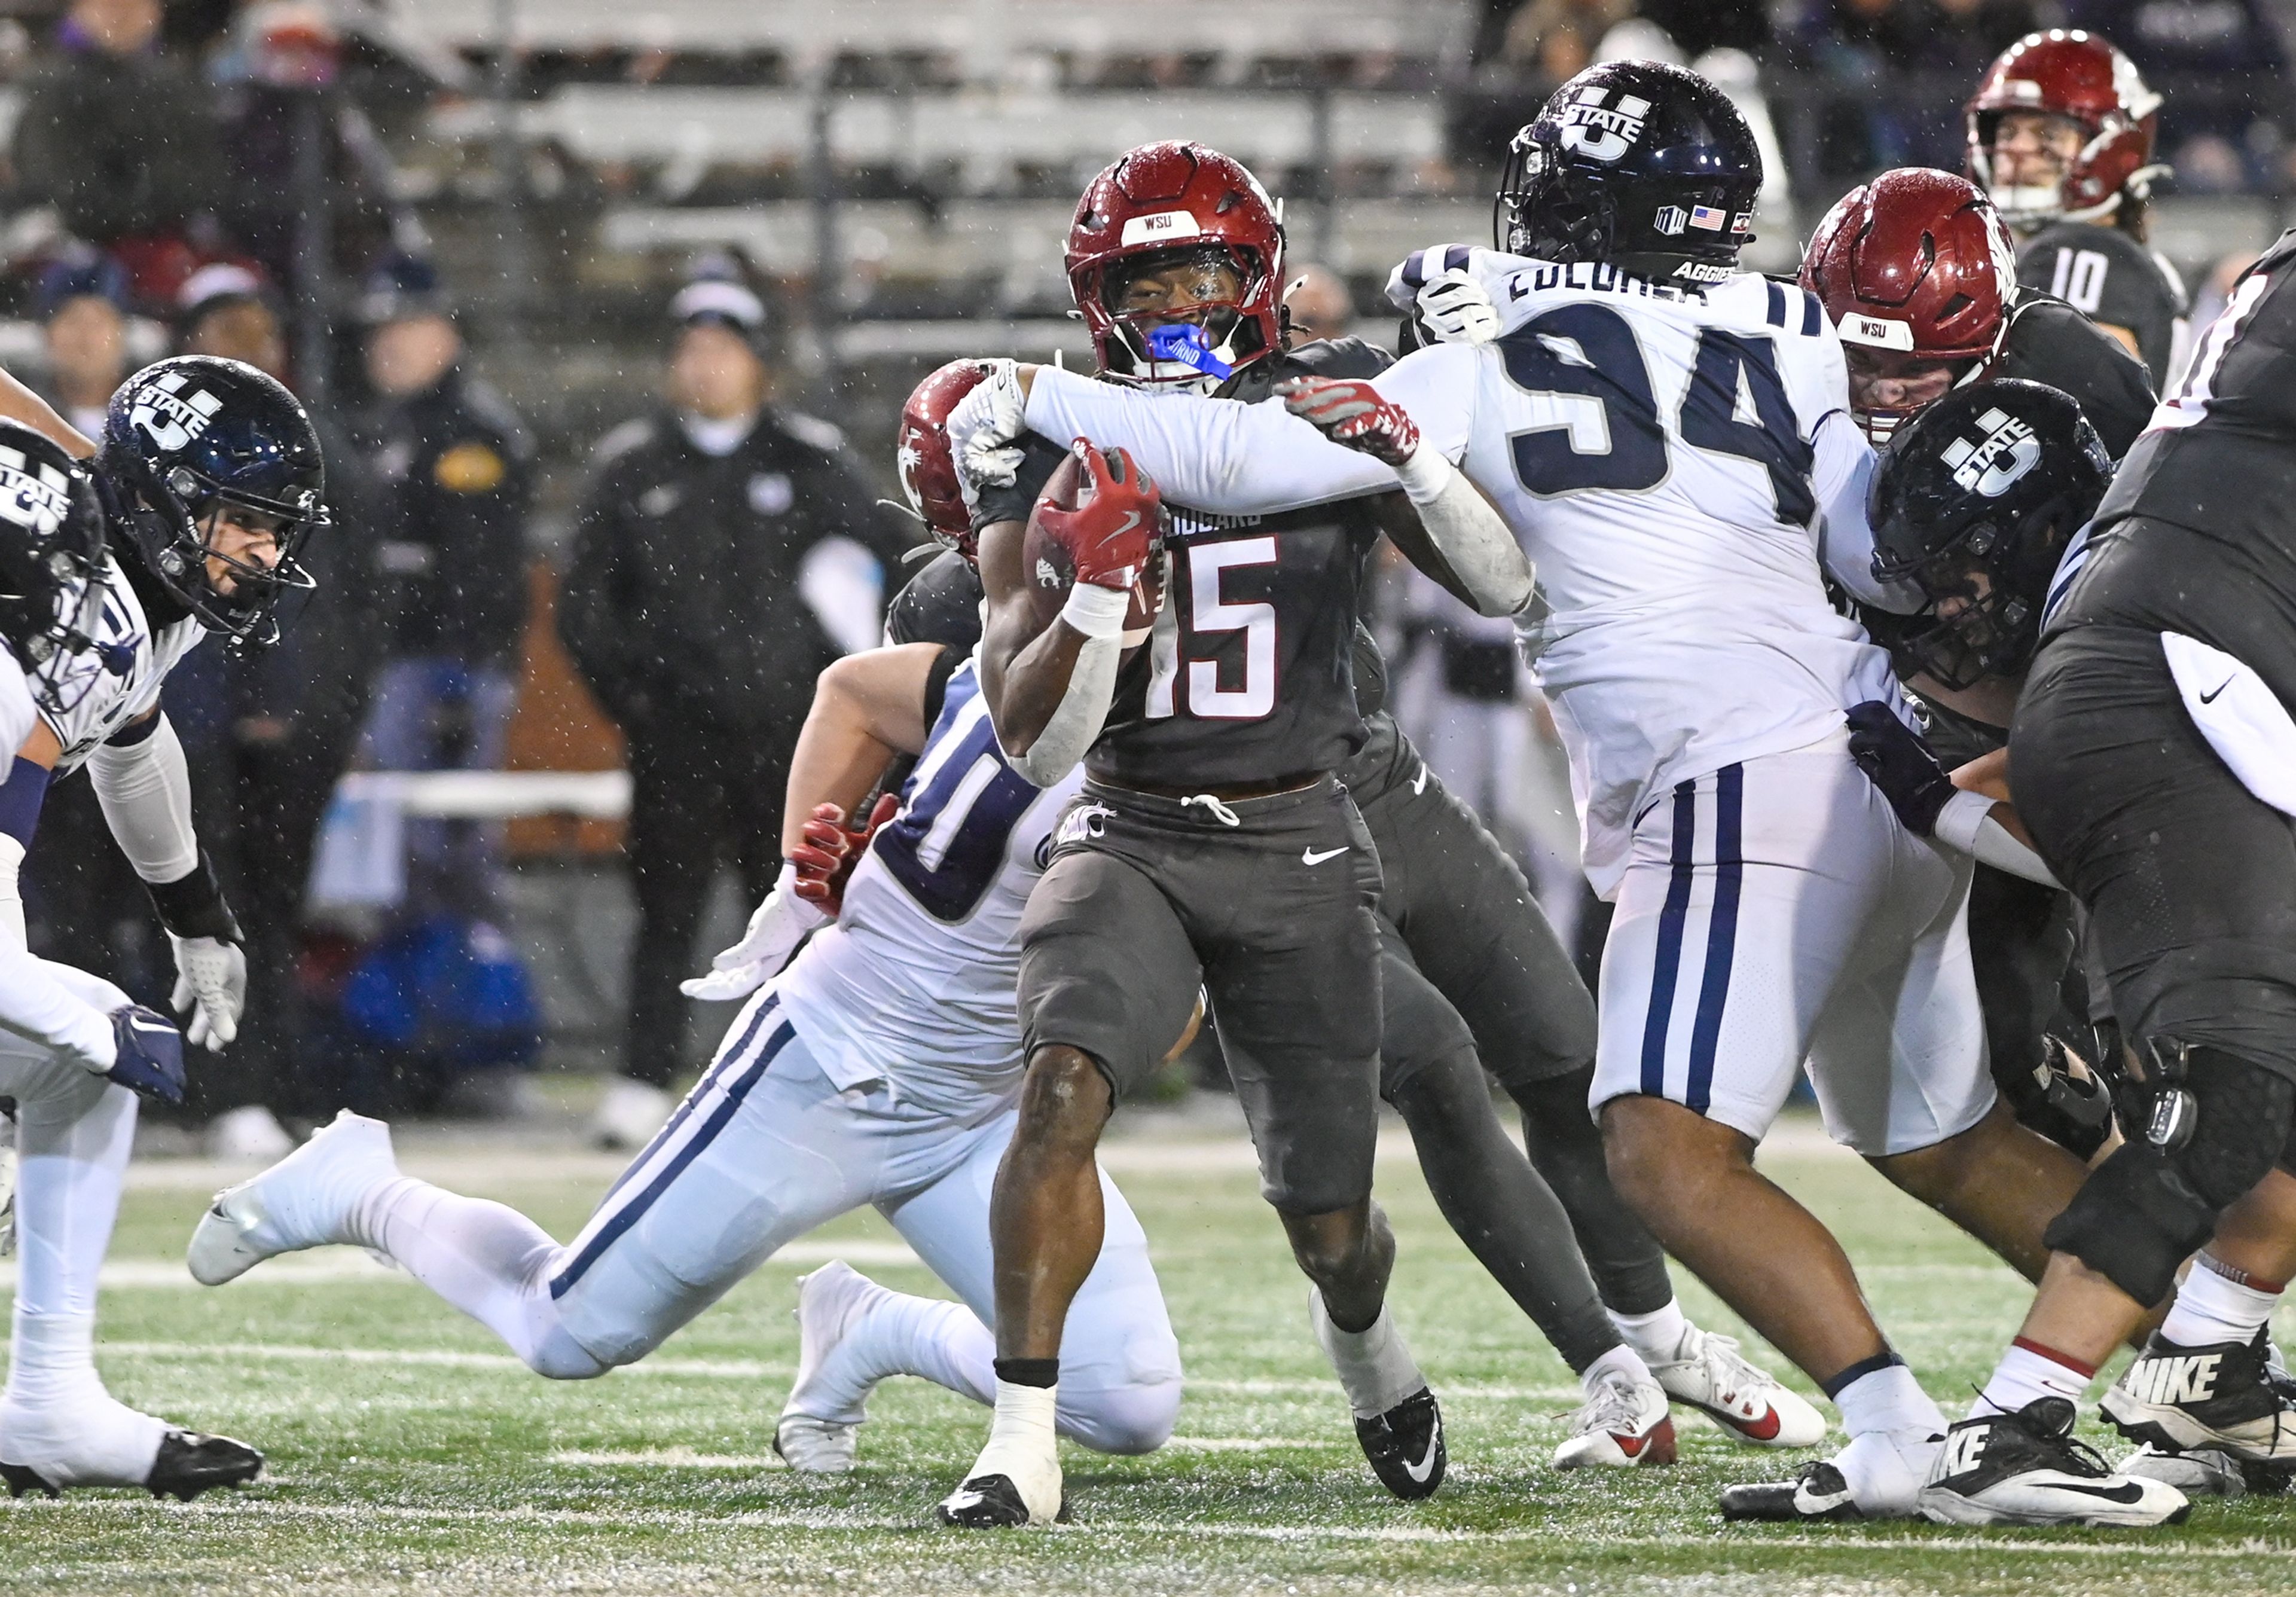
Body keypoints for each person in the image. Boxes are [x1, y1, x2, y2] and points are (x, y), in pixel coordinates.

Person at [950, 63, 2101, 1524]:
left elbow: (1238, 454)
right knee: (1943, 1136)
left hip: (1734, 782)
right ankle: (2214, 1350)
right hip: (1882, 757)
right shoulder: (1803, 330)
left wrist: (1017, 388)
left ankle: (1890, 1427)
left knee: (1662, 1151)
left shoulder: (1481, 360)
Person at [897, 357, 1823, 1475]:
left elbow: (1498, 579)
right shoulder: (1015, 535)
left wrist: (1415, 446)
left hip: (1365, 777)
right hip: (1224, 835)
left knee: (1565, 1052)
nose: (1179, 317)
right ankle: (1595, 1359)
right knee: (1427, 1071)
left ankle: (1651, 1342)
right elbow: (934, 708)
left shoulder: (1261, 414)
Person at [185, 490, 1184, 1475]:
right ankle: (363, 1191)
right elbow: (858, 688)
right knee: (567, 1331)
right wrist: (802, 876)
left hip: (988, 1115)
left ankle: (870, 1332)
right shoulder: (999, 690)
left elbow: (1164, 1027)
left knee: (1122, 1397)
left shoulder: (1192, 754)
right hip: (837, 1066)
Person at [1903, 231, 2296, 1526]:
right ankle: (2010, 1425)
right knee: (2236, 1092)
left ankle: (2208, 1372)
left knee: (2268, 1112)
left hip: (2165, 678)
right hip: (2182, 683)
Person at [1, 352, 331, 1497]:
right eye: (242, 521)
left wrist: (195, 915)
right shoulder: (58, 594)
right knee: (78, 1037)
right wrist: (81, 1029)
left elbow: (130, 739)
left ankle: (47, 1401)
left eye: (275, 528)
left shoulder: (122, 585)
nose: (265, 554)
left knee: (78, 1048)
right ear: (164, 501)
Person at [1798, 167, 2153, 1158]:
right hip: (1991, 710)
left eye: (1908, 373)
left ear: (1987, 346)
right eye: (1854, 364)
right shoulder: (1798, 365)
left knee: (2166, 1041)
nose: (1877, 395)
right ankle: (2160, 1276)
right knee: (2016, 1050)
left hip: (2109, 699)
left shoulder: (2080, 396)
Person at [558, 274, 911, 1151]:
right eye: (693, 349)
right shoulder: (632, 467)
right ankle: (642, 1078)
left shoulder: (814, 463)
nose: (707, 366)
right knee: (665, 908)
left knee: (794, 900)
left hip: (797, 738)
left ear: (763, 364)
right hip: (675, 738)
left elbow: (891, 580)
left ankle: (789, 1073)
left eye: (725, 348)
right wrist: (639, 703)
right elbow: (583, 610)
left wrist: (848, 703)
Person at [163, 265, 375, 1154]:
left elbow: (349, 602)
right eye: (218, 327)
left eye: (251, 326)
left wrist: (305, 702)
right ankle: (221, 1085)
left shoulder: (322, 449)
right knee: (202, 901)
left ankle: (274, 1081)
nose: (239, 344)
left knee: (274, 904)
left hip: (289, 721)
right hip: (182, 709)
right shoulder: (154, 452)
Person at [1965, 29, 2189, 387]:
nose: (2016, 153)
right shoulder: (2128, 259)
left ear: (2114, 146)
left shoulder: (2085, 254)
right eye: (2008, 133)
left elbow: (2081, 415)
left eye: (2048, 135)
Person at [10, 0, 226, 306]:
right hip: (67, 250)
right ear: (78, 10)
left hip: (163, 251)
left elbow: (198, 177)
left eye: (136, 5)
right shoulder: (44, 84)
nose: (123, 13)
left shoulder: (181, 85)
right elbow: (51, 177)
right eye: (110, 4)